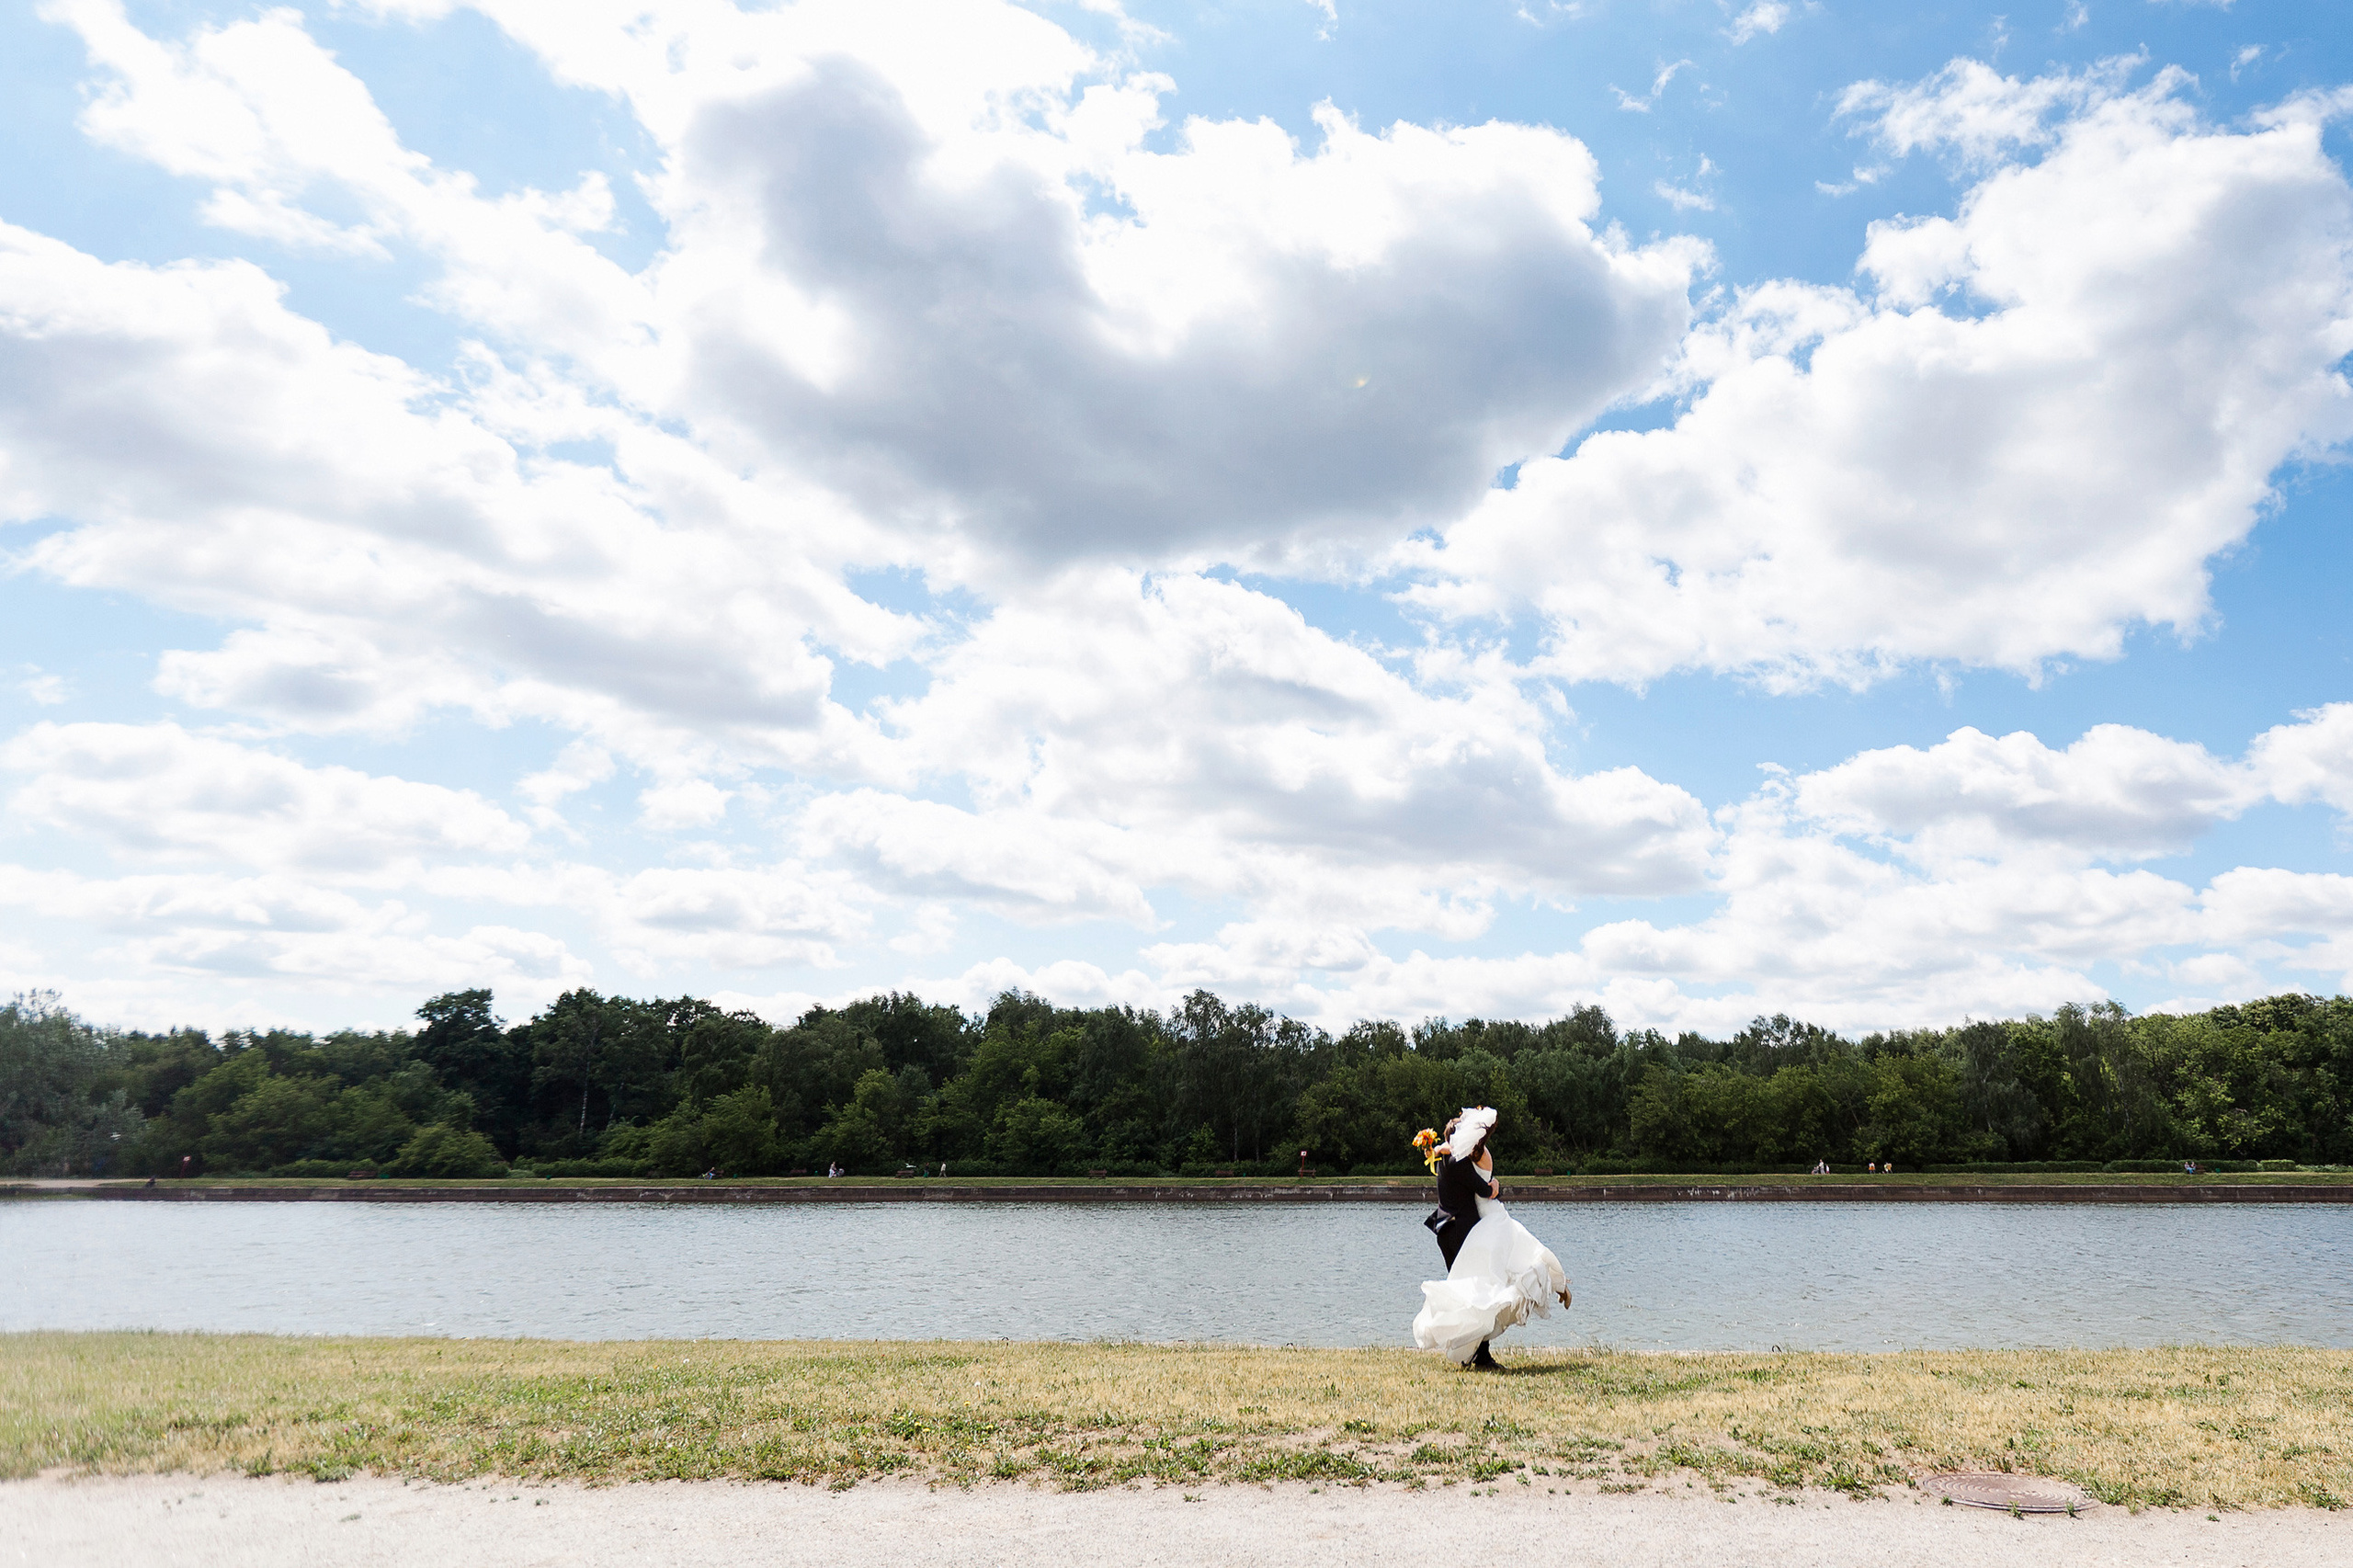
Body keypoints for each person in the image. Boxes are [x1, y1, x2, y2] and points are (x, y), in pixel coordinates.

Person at [1413, 1107, 1572, 1370]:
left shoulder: (1446, 1157)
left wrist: (1440, 1148)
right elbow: (1484, 1190)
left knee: (1469, 1294)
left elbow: (1454, 1161)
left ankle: (1470, 1353)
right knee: (1478, 1292)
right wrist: (1495, 1187)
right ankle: (1480, 1356)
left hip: (1447, 1229)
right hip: (1462, 1230)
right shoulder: (1459, 1160)